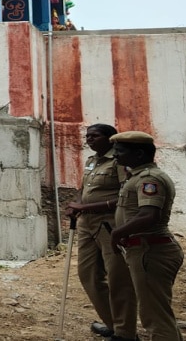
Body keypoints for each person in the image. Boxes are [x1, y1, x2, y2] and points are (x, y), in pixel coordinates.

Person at [109, 131, 184, 341]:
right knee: (158, 313)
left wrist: (118, 233)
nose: (115, 156)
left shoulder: (149, 178)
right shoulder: (137, 176)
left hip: (150, 250)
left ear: (139, 154)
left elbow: (148, 215)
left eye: (120, 152)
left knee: (155, 317)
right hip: (144, 249)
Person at [65, 124, 137, 341]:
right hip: (86, 225)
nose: (89, 139)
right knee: (88, 275)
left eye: (94, 136)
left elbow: (126, 196)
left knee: (118, 278)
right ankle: (113, 324)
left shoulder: (120, 161)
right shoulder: (91, 161)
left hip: (110, 225)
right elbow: (84, 189)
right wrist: (76, 205)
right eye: (87, 136)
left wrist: (85, 207)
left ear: (110, 138)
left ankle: (126, 333)